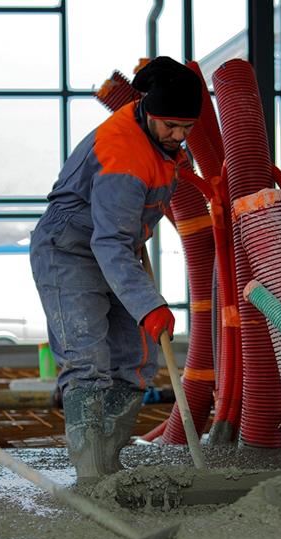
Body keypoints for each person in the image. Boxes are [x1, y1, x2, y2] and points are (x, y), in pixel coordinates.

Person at [30, 56, 202, 480]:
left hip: (118, 247)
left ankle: (108, 463)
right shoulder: (123, 154)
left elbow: (120, 233)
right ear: (147, 111)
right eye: (170, 126)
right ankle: (92, 477)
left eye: (187, 128)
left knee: (136, 361)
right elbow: (106, 240)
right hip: (69, 251)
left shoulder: (162, 141)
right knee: (87, 359)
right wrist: (149, 303)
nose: (179, 136)